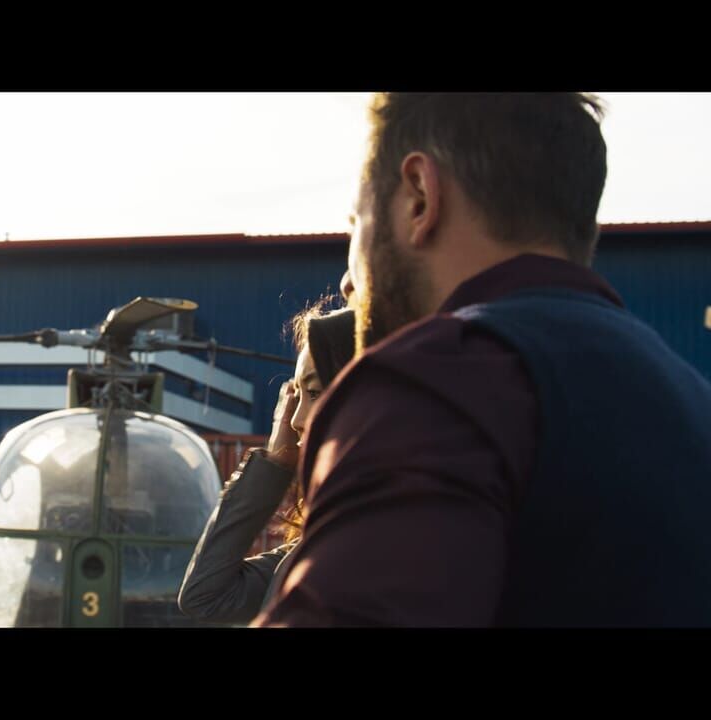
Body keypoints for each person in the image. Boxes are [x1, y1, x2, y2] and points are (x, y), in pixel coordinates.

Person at [256, 93, 711, 627]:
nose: (346, 280)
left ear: (419, 197)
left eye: (358, 221)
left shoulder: (434, 383)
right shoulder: (690, 399)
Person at [178, 303, 355, 624]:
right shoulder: (310, 548)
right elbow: (204, 597)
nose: (295, 420)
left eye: (314, 392)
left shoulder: (388, 545)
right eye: (295, 397)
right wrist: (274, 462)